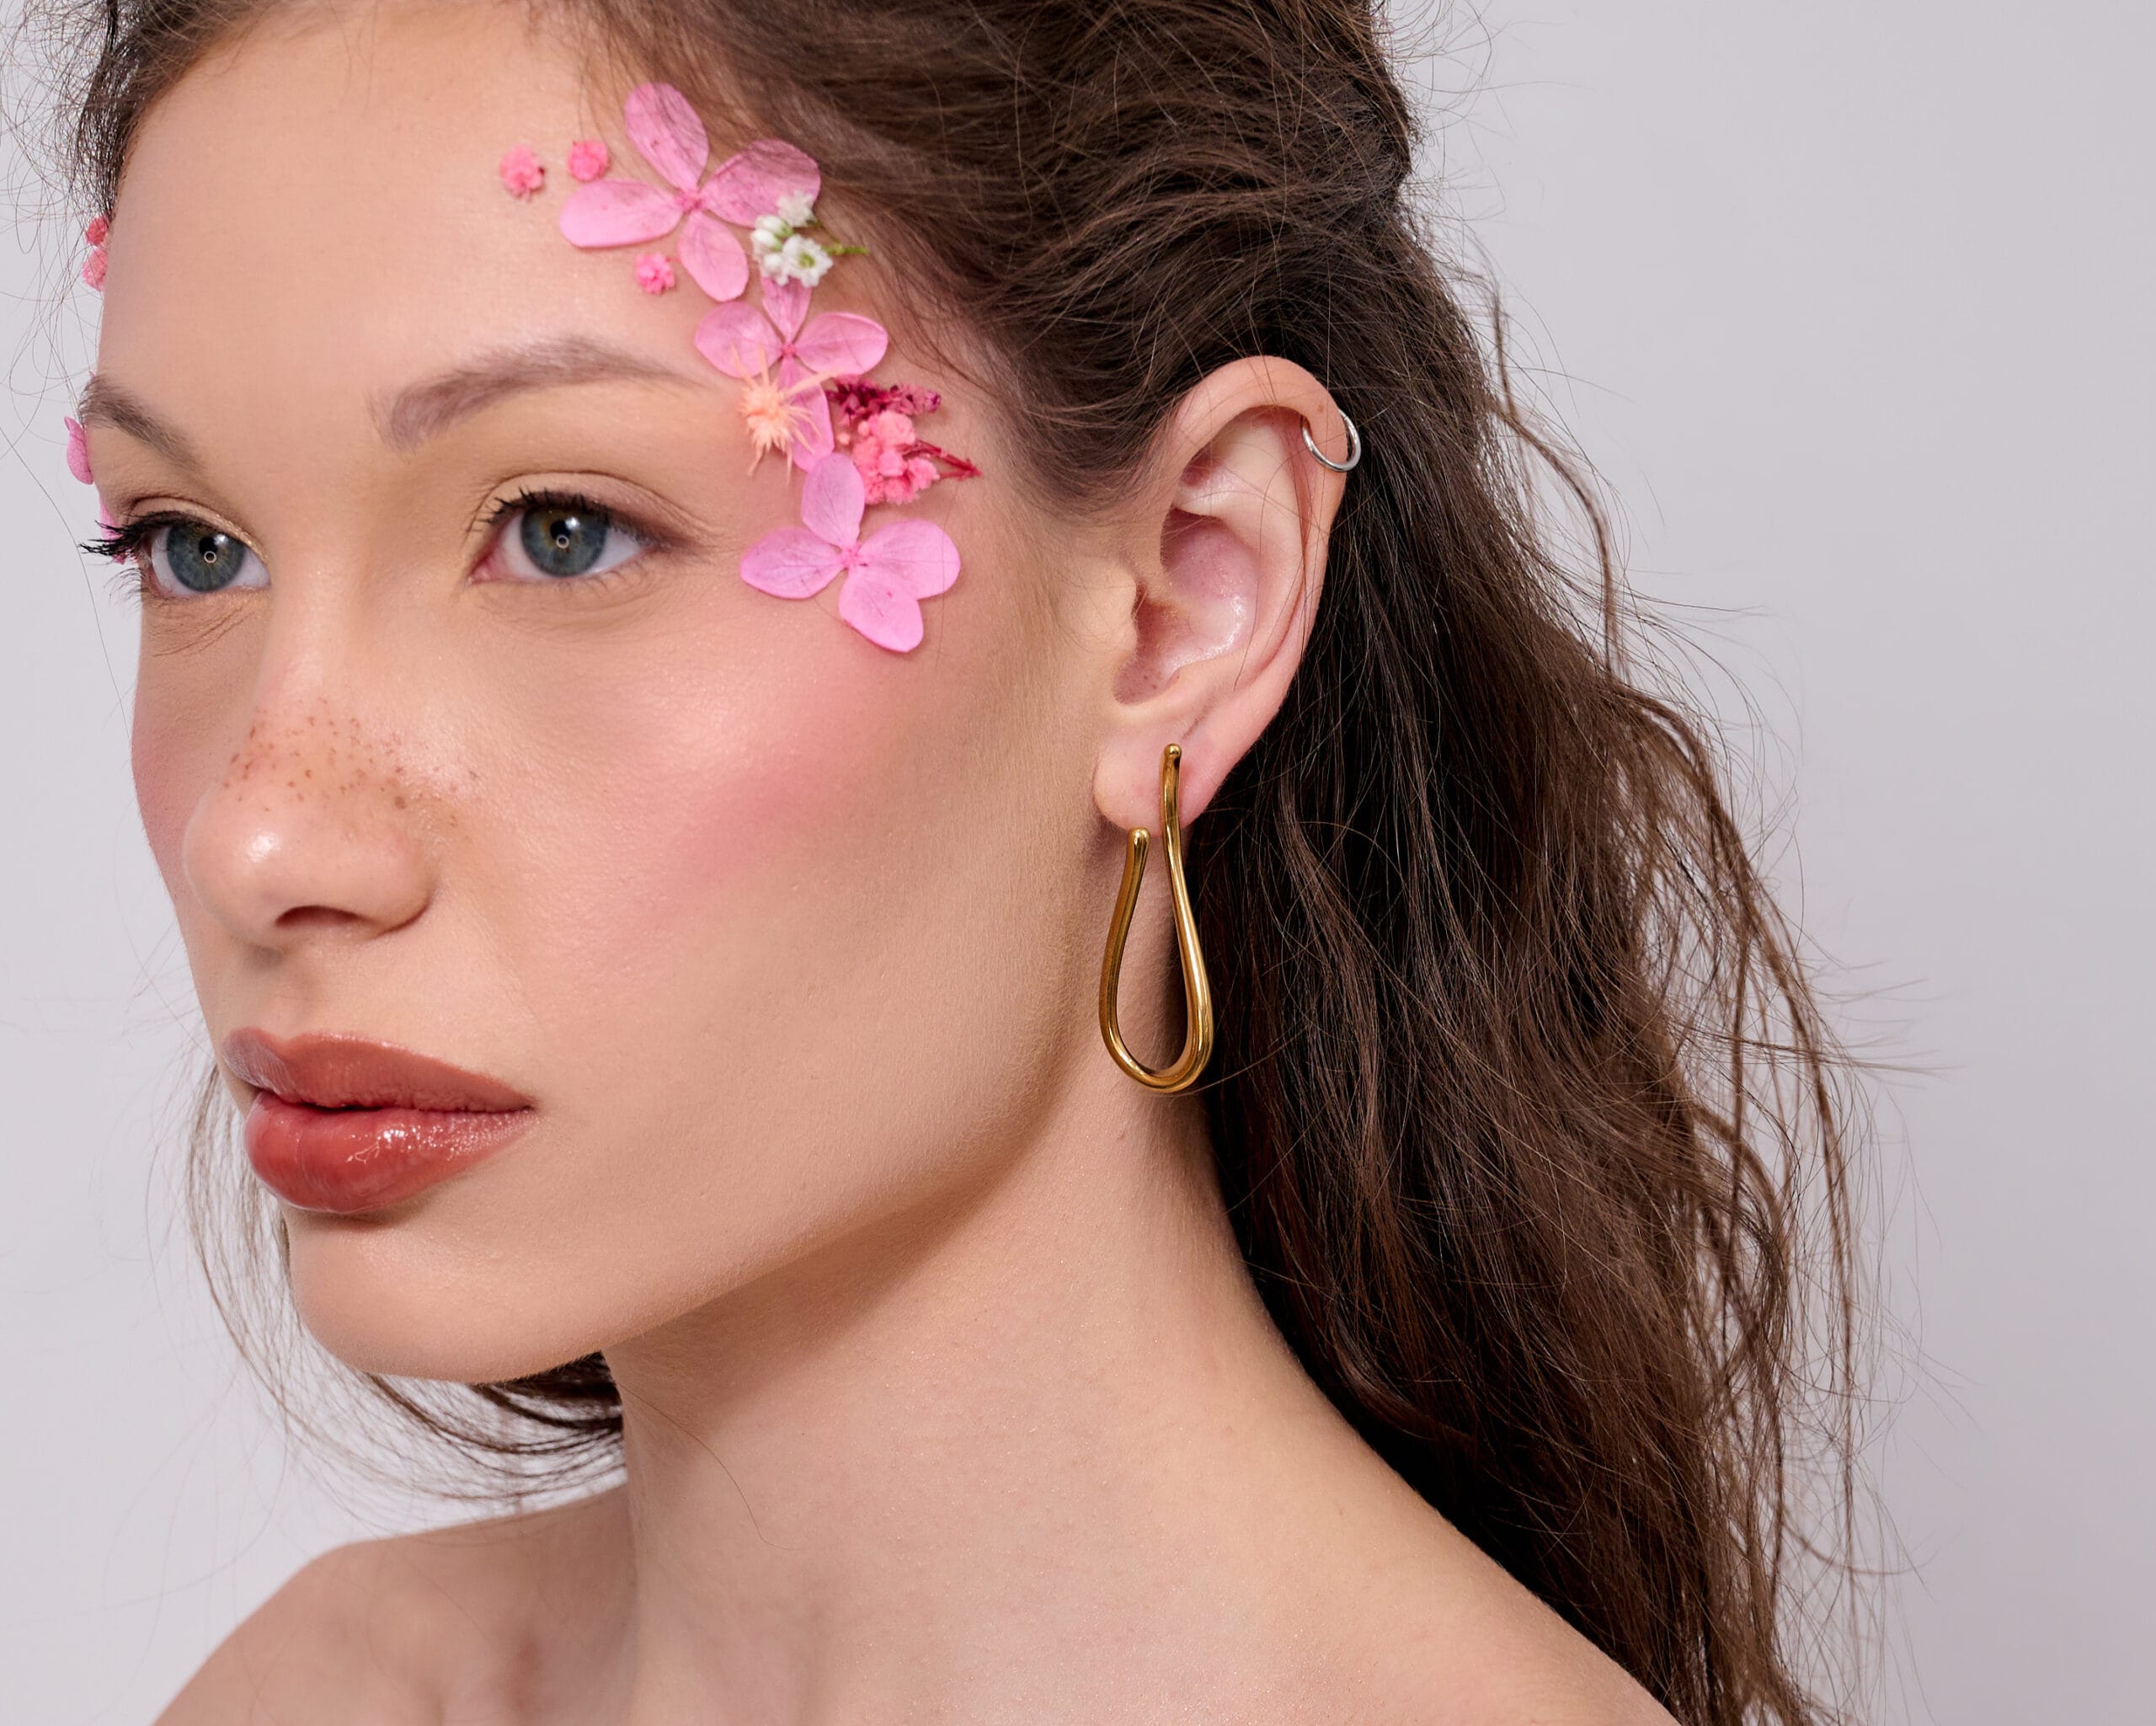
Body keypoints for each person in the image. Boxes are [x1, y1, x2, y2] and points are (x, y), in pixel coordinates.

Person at [39, 0, 1867, 1718]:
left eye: (564, 527)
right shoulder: (333, 1688)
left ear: (1187, 602)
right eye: (192, 546)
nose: (256, 835)